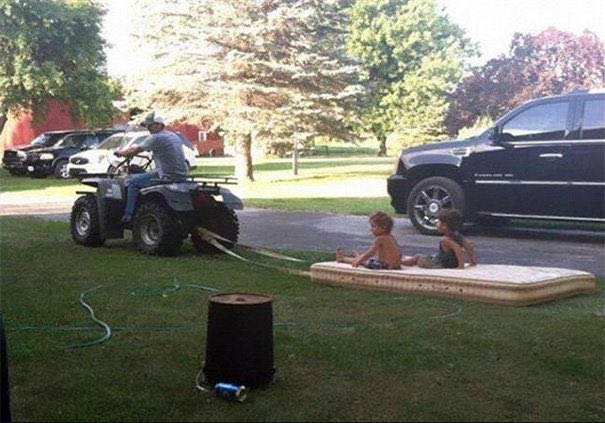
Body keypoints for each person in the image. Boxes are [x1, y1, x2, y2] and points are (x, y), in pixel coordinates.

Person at [114, 112, 189, 223]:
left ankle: (128, 216)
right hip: (182, 175)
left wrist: (120, 153)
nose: (148, 128)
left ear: (159, 125)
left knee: (132, 183)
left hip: (166, 175)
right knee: (146, 176)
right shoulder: (173, 136)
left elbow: (134, 150)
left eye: (150, 125)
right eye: (147, 125)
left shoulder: (156, 138)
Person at [401, 209, 477, 269]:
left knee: (417, 257)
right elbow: (469, 247)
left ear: (444, 226)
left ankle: (400, 262)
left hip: (439, 264)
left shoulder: (446, 239)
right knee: (429, 256)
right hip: (451, 263)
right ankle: (404, 258)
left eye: (438, 222)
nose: (436, 223)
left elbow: (458, 249)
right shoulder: (458, 236)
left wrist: (461, 266)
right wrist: (473, 261)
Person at [335, 211, 402, 270]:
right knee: (369, 258)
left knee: (365, 261)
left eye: (373, 226)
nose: (371, 229)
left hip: (386, 266)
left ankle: (343, 259)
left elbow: (370, 253)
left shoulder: (380, 239)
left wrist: (359, 260)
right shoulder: (390, 237)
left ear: (383, 228)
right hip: (396, 265)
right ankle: (358, 257)